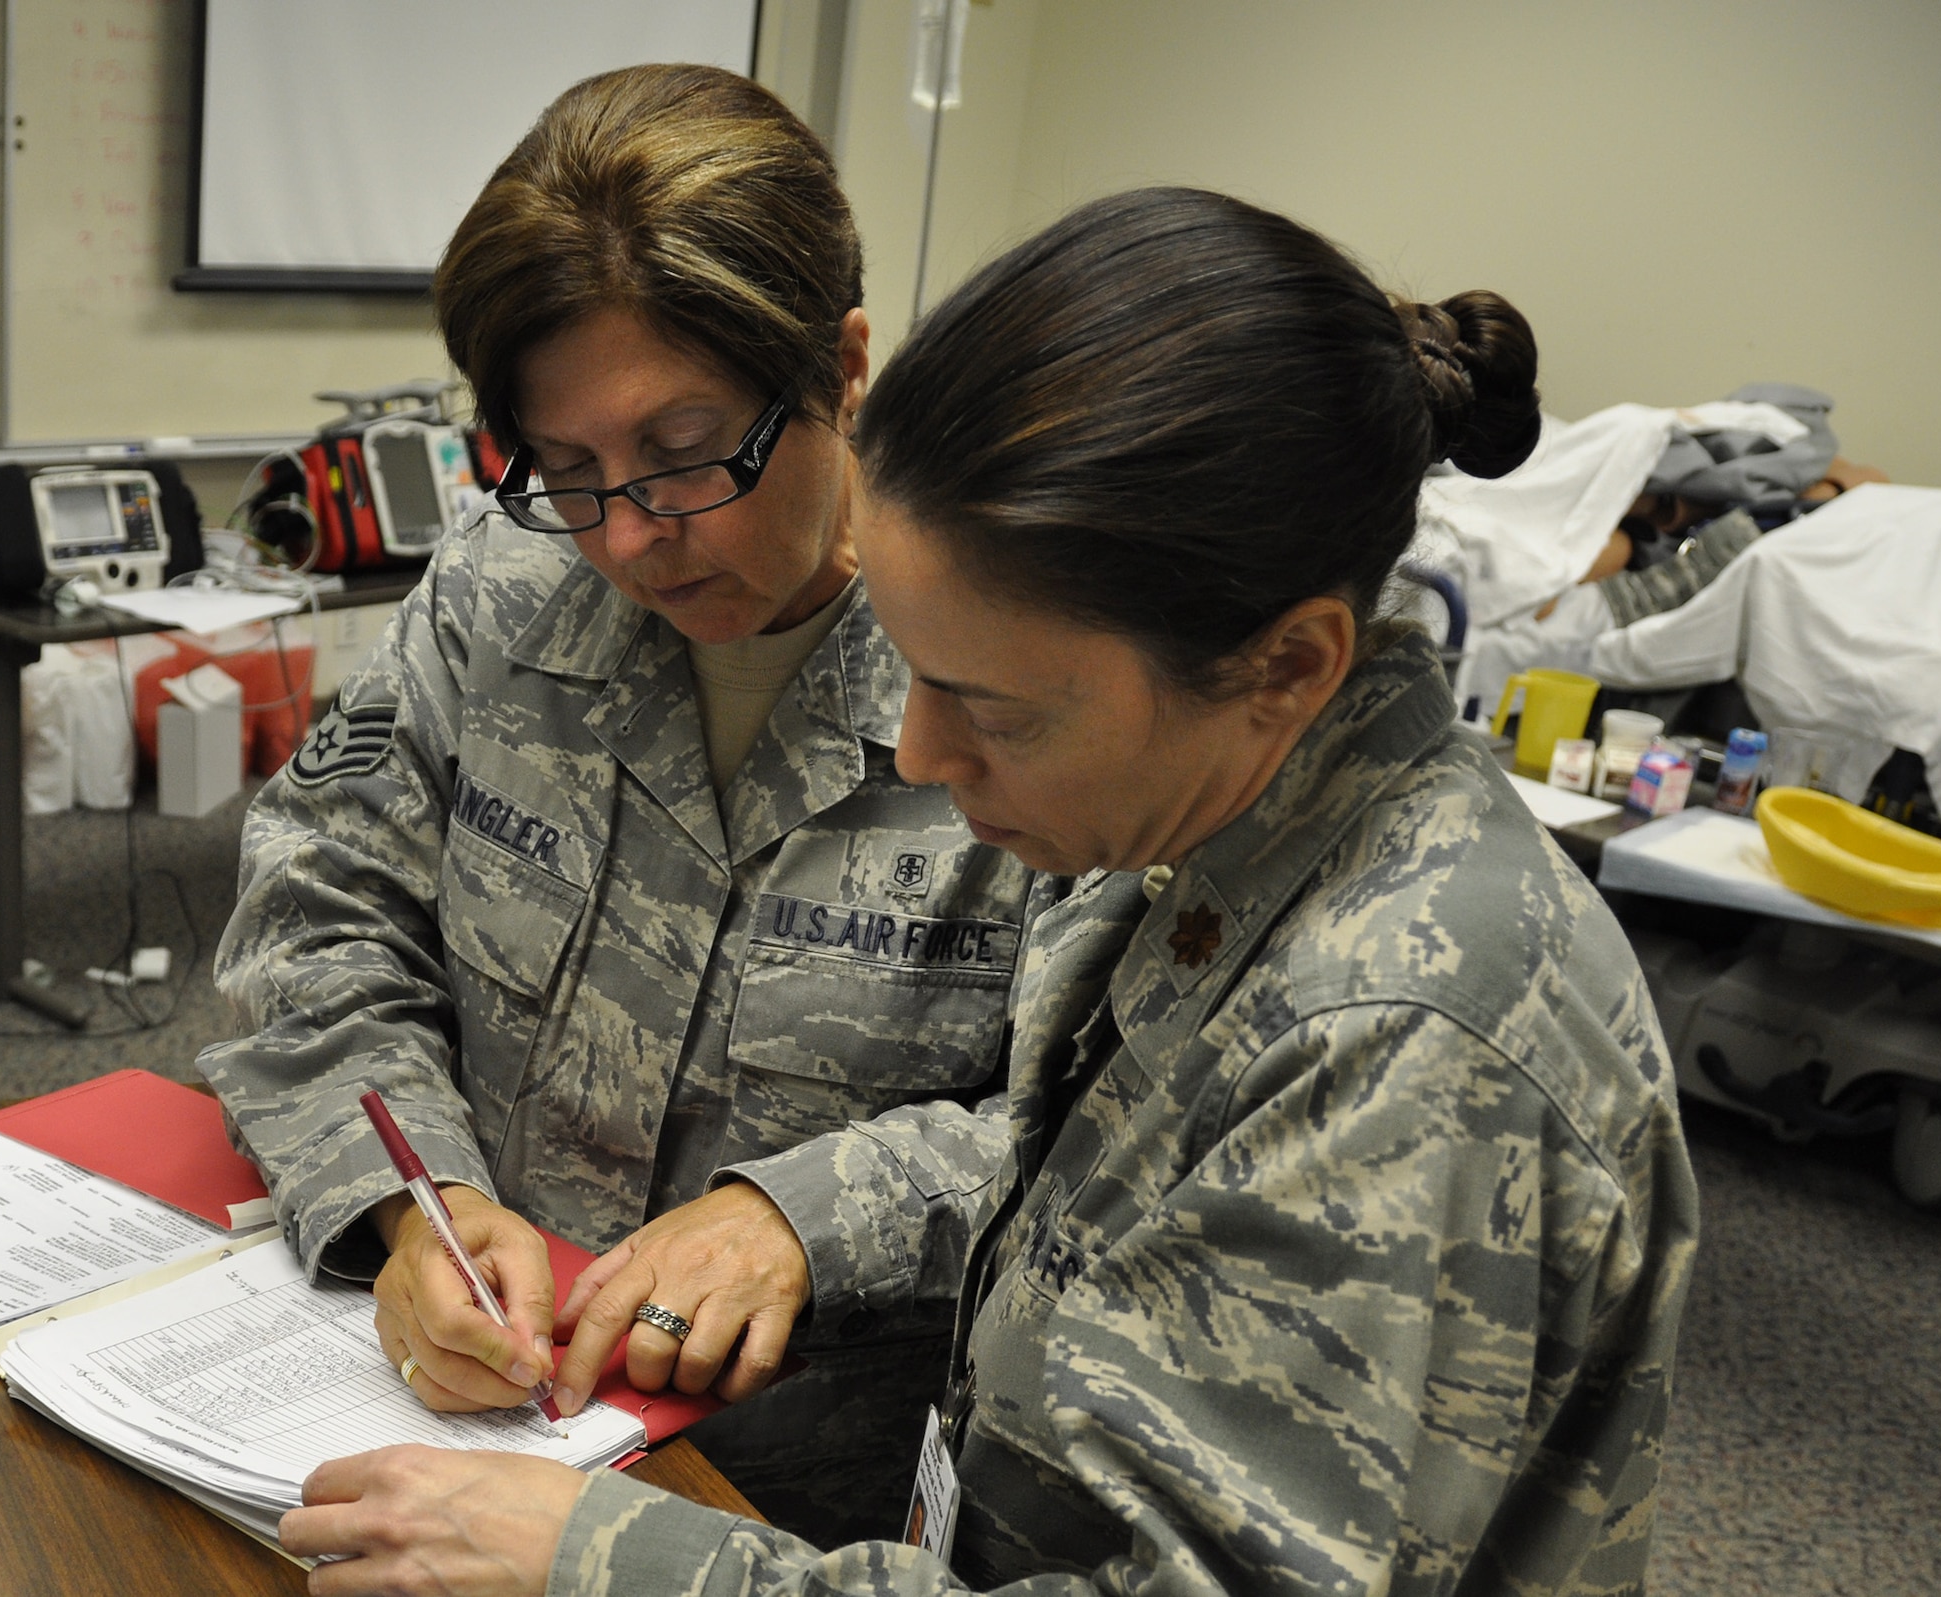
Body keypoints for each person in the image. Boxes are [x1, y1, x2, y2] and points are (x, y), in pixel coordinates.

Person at [279, 188, 1699, 1595]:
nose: (915, 752)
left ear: (1287, 666)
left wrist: (601, 1561)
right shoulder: (1190, 830)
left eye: (987, 704)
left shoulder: (1398, 1042)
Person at [199, 63, 1048, 1543]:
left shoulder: (1016, 656)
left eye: (683, 452)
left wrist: (808, 1209)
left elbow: (1110, 1118)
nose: (635, 537)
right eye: (570, 470)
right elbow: (317, 902)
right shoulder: (497, 587)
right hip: (461, 1432)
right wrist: (420, 1201)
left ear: (843, 366)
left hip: (812, 1519)